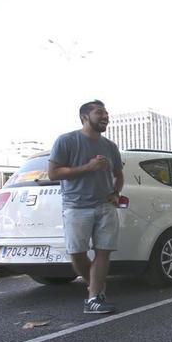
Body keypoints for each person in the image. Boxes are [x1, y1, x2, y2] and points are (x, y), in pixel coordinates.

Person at [48, 100, 123, 314]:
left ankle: (93, 298)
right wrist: (88, 167)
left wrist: (116, 193)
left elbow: (118, 174)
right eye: (99, 112)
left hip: (105, 206)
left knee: (103, 252)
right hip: (76, 206)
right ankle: (96, 286)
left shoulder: (110, 146)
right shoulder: (66, 141)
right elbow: (53, 173)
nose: (105, 116)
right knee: (77, 253)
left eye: (107, 113)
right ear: (84, 117)